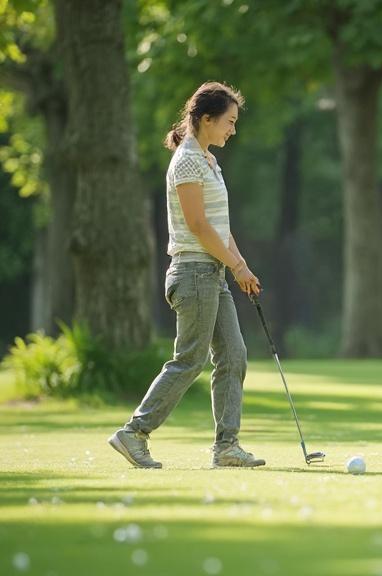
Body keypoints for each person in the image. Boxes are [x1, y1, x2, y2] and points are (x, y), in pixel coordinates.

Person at [108, 82, 265, 468]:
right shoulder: (188, 161)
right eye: (228, 122)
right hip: (194, 272)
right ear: (206, 119)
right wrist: (235, 265)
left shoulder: (209, 161)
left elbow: (220, 225)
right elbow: (197, 225)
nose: (232, 129)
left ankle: (227, 447)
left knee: (234, 355)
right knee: (190, 359)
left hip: (213, 271)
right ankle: (134, 432)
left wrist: (240, 265)